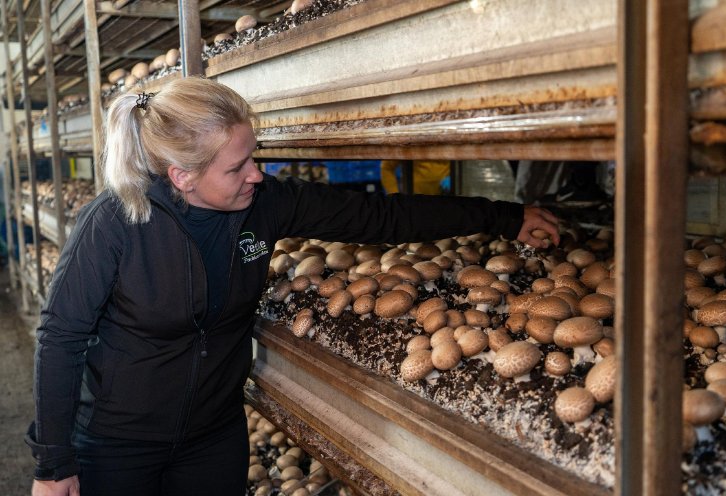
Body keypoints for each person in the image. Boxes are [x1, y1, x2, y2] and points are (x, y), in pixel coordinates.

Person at [26, 77, 560, 496]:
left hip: (213, 436)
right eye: (238, 168)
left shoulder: (263, 204)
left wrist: (502, 217)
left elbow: (378, 216)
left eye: (254, 158)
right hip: (117, 445)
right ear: (181, 176)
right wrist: (54, 464)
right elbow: (61, 339)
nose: (255, 174)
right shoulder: (116, 223)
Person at [380, 159, 451, 195]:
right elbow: (387, 168)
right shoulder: (408, 138)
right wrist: (394, 195)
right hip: (414, 199)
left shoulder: (449, 135)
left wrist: (454, 180)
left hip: (447, 196)